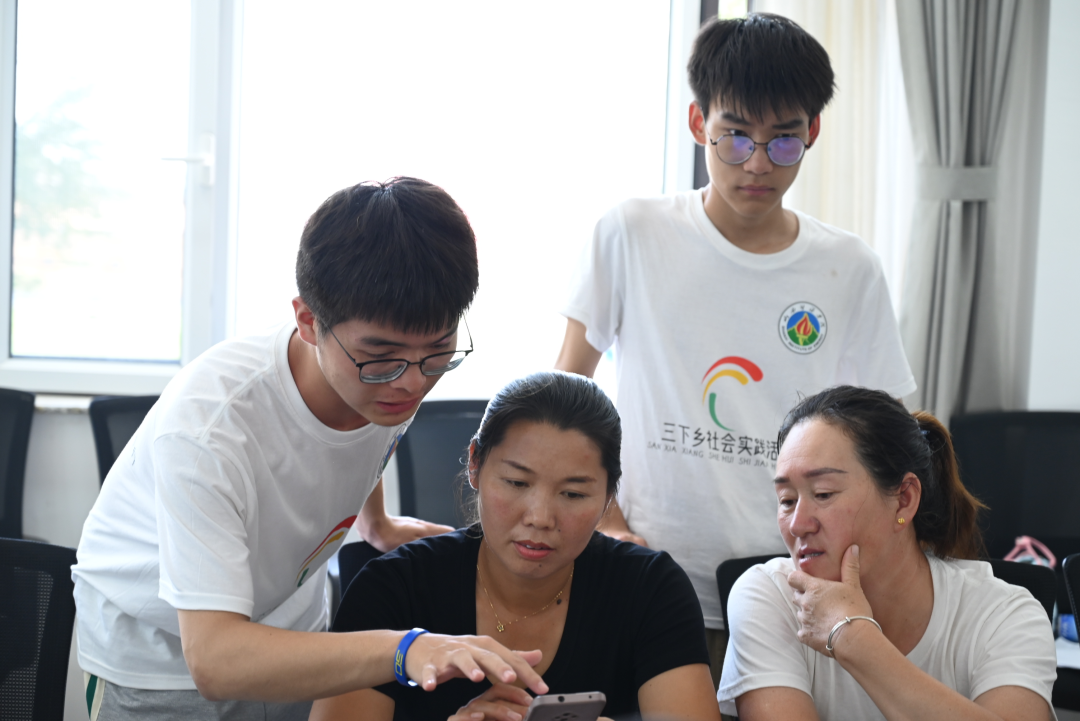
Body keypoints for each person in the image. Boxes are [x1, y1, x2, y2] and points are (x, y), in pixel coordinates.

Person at [72, 178, 548, 721]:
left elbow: (355, 442)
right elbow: (215, 660)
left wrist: (376, 523)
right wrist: (406, 650)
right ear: (308, 321)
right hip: (163, 658)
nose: (413, 383)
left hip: (292, 626)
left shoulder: (380, 377)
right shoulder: (210, 431)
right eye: (383, 357)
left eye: (438, 352)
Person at [554, 13, 916, 683]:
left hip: (791, 589)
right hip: (645, 577)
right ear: (699, 123)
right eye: (736, 136)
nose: (757, 163)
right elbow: (564, 398)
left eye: (783, 141)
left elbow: (888, 437)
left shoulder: (848, 266)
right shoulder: (633, 234)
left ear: (812, 132)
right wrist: (606, 517)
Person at [311, 372, 720, 721]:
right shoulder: (393, 587)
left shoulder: (650, 589)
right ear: (475, 464)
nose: (540, 518)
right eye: (516, 482)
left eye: (573, 494)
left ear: (609, 495)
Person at [718, 385, 1057, 720]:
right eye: (787, 501)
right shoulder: (768, 596)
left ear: (904, 499)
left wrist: (852, 637)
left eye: (823, 494)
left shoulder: (1004, 615)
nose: (797, 524)